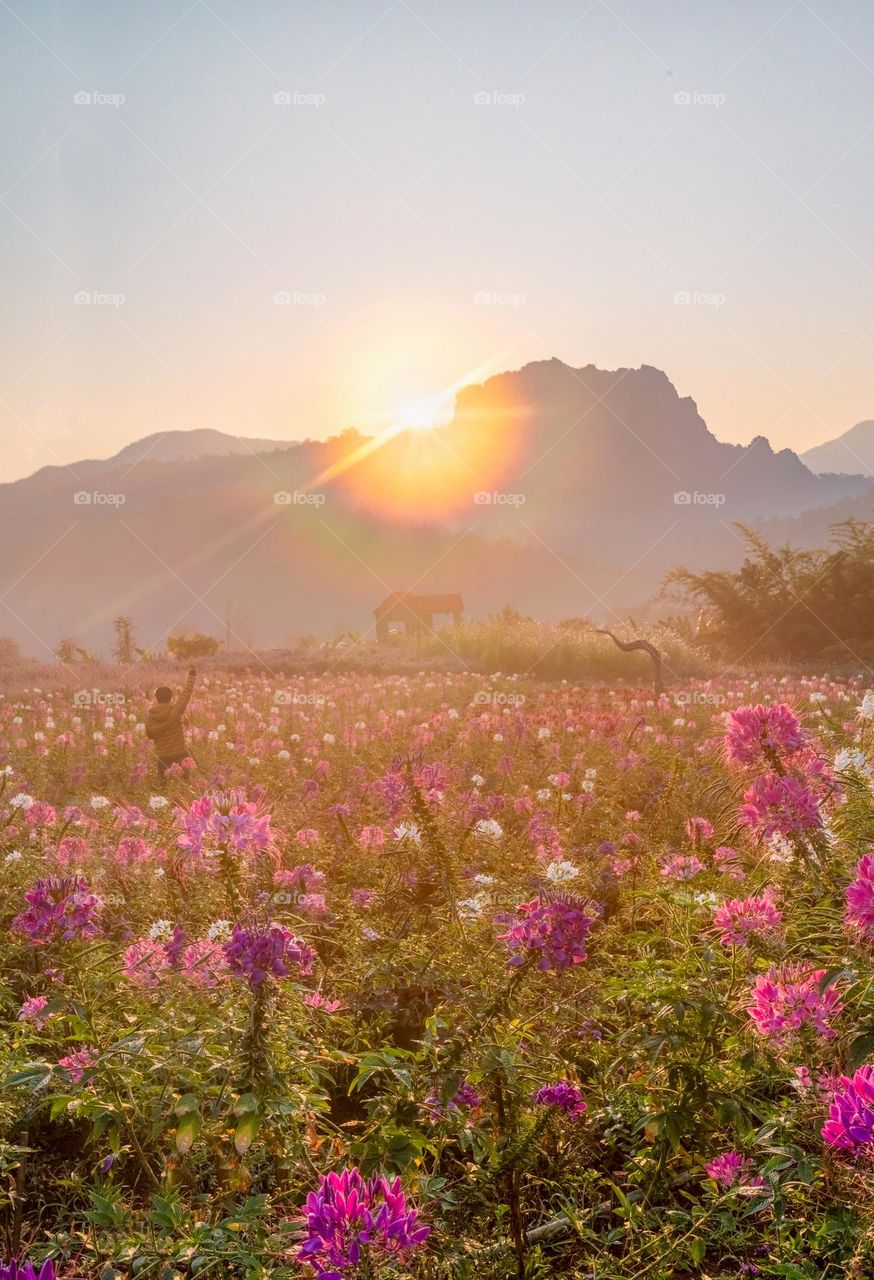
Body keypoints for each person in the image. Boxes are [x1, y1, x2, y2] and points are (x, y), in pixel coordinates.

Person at [145, 667, 197, 782]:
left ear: (157, 698)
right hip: (180, 755)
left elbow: (150, 735)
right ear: (171, 697)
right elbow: (186, 694)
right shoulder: (176, 710)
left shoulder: (150, 716)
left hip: (163, 758)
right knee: (185, 787)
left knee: (164, 789)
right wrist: (192, 675)